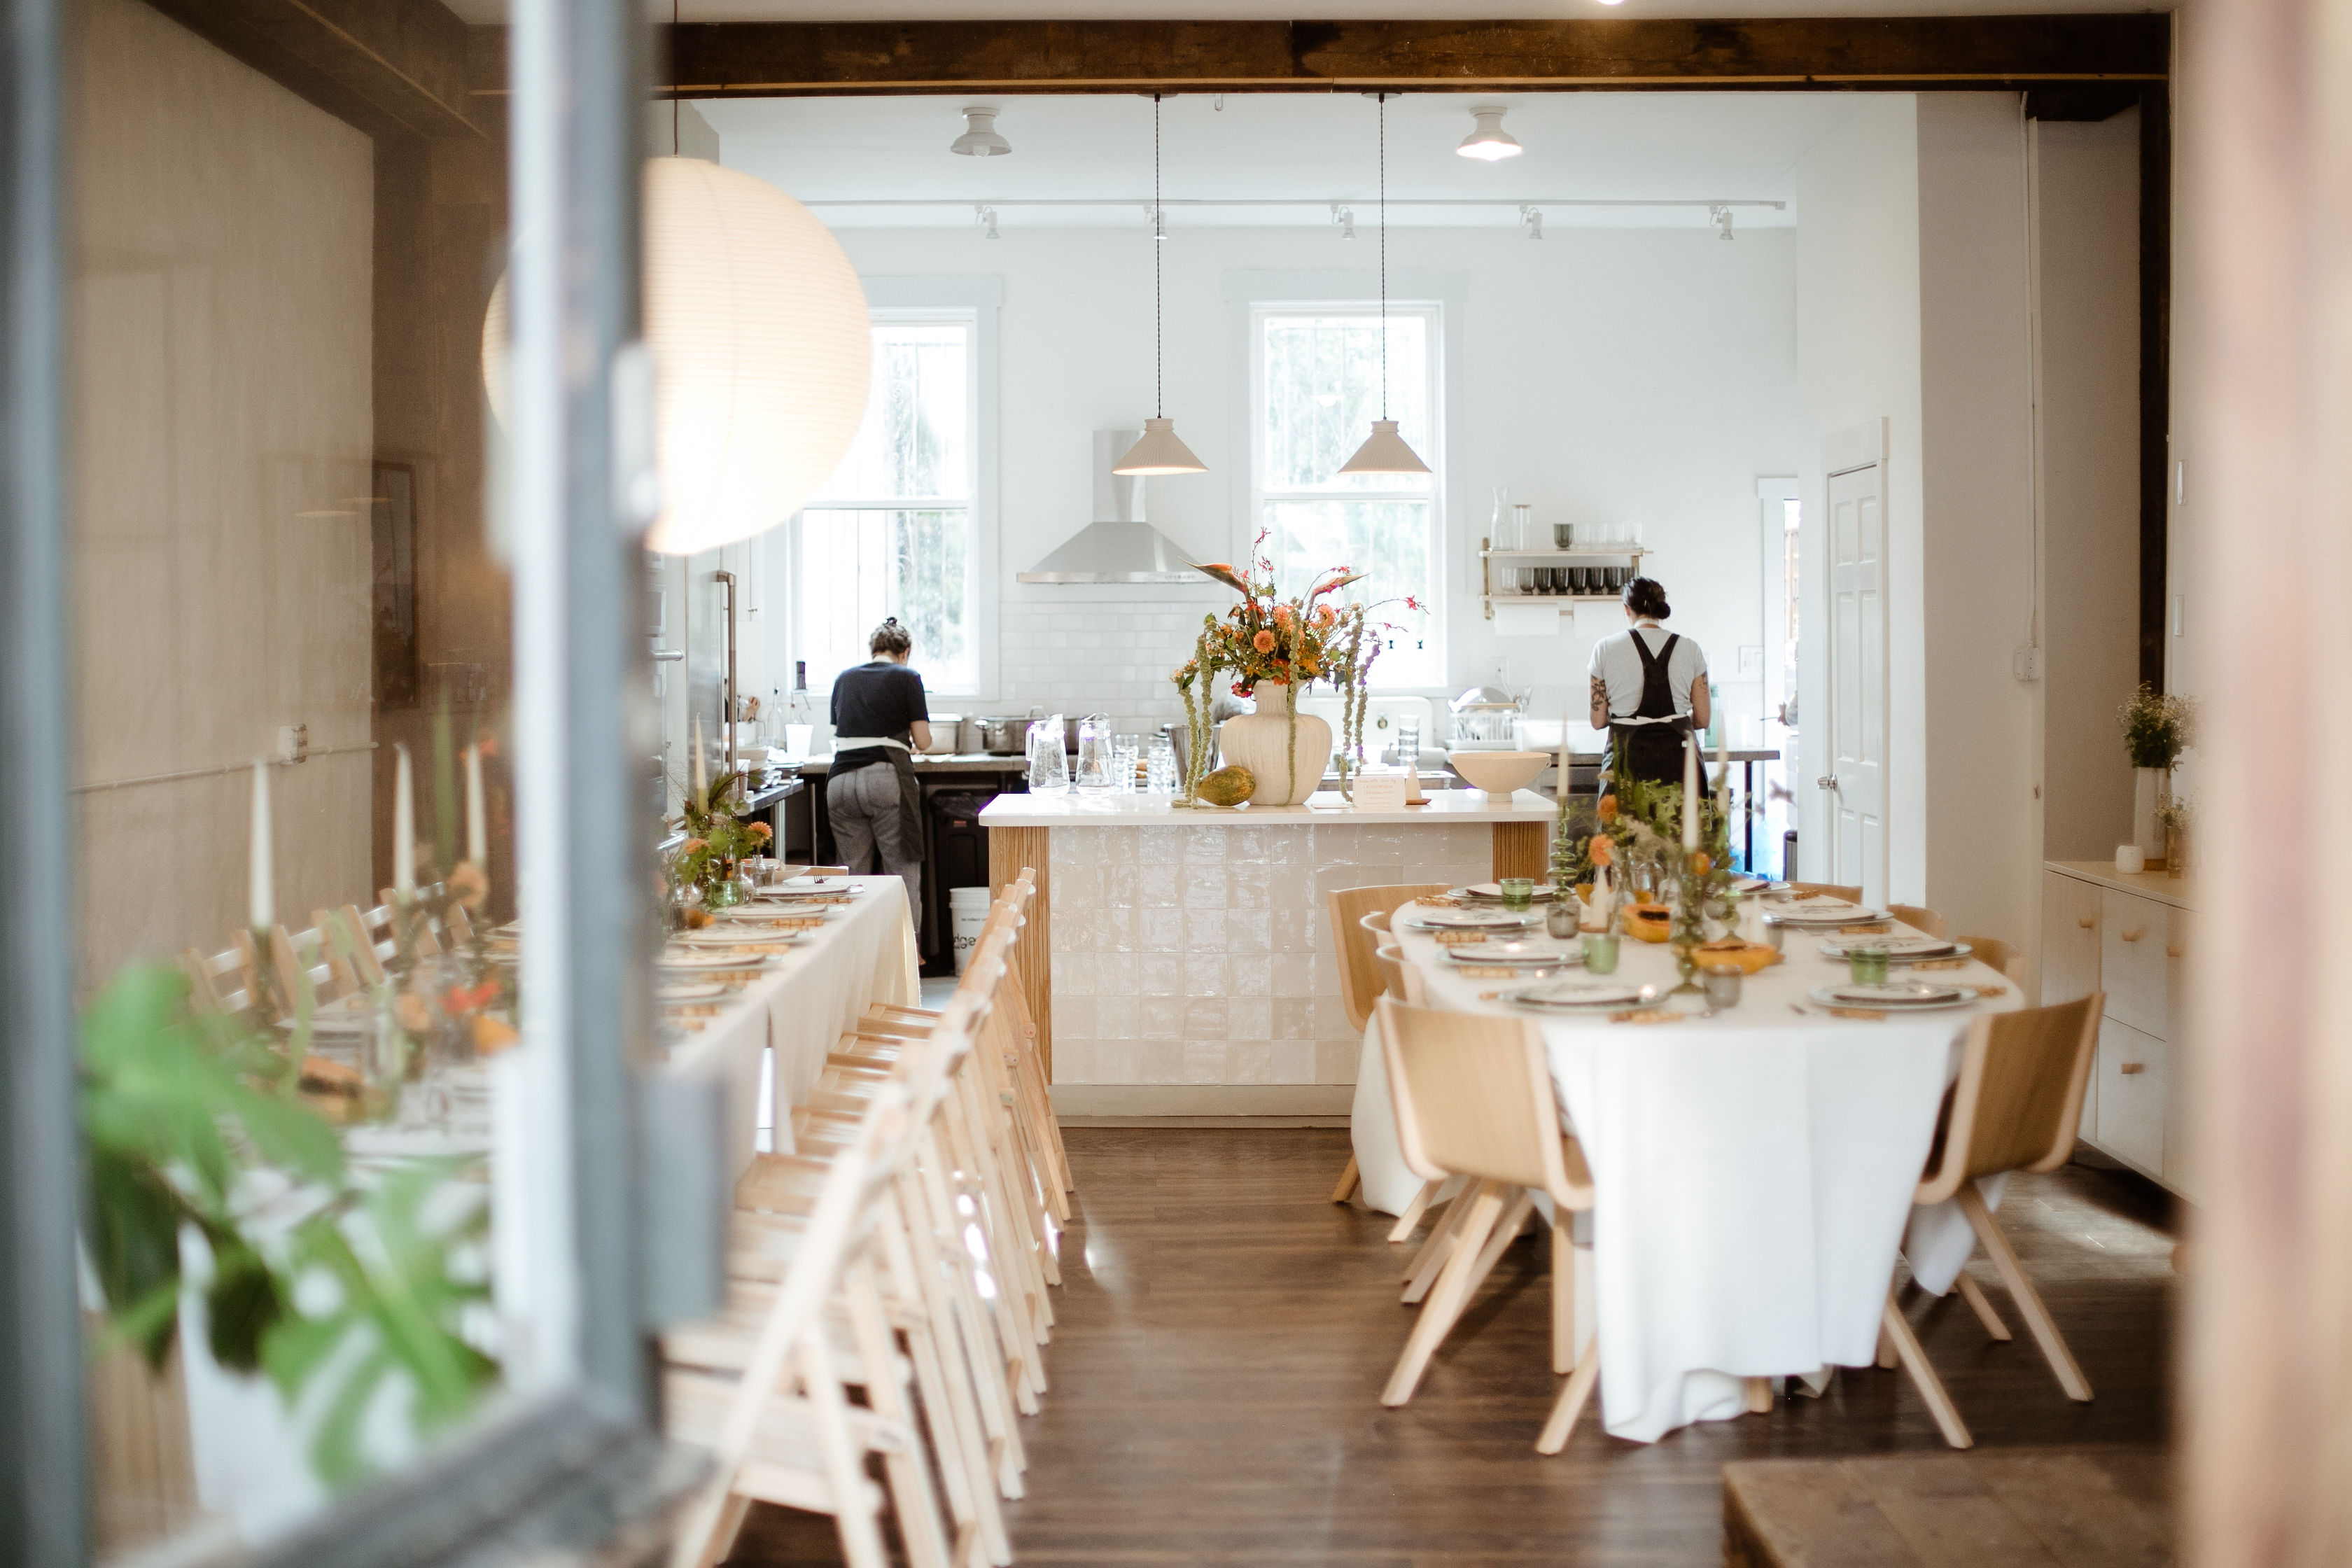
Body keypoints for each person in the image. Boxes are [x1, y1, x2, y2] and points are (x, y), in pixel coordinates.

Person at [827, 617, 932, 919]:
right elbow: (923, 742)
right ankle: (910, 954)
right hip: (886, 780)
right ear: (905, 651)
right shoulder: (908, 677)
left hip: (840, 782)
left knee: (852, 874)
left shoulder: (844, 678)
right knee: (901, 872)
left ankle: (851, 950)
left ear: (874, 649)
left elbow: (840, 730)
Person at [1588, 575, 1711, 788]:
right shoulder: (1691, 649)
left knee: (1622, 822)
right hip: (1680, 760)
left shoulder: (1605, 649)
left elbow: (1597, 721)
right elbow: (1703, 719)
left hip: (1626, 759)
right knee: (1679, 821)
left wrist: (1625, 715)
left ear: (1627, 609)